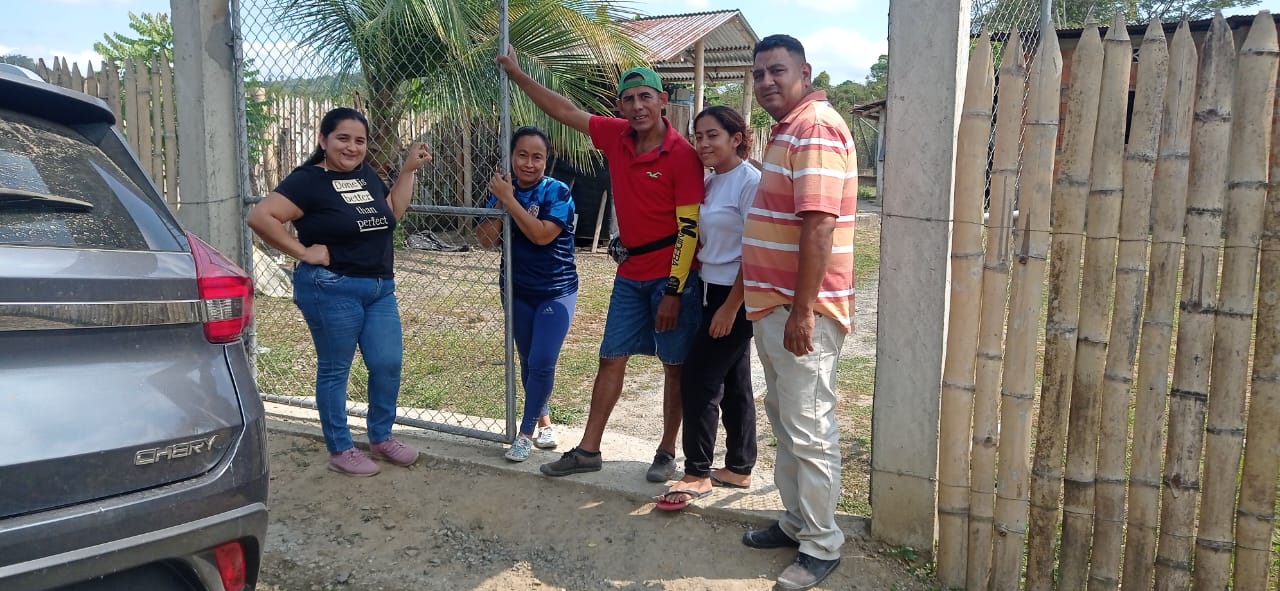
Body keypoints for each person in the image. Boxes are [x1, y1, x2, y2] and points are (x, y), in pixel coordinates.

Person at [496, 48, 705, 481]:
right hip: (629, 274)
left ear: (663, 101)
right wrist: (517, 74)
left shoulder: (682, 154)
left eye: (645, 97)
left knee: (674, 365)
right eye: (629, 99)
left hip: (671, 276)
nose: (637, 106)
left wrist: (673, 290)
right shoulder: (616, 136)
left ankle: (666, 451)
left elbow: (689, 229)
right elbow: (564, 110)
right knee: (610, 357)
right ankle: (588, 450)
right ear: (620, 106)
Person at [247, 107, 432, 477]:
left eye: (359, 141)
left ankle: (381, 437)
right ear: (323, 140)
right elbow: (260, 216)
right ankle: (340, 448)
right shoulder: (308, 181)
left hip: (379, 287)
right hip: (331, 287)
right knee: (336, 369)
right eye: (342, 138)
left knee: (387, 364)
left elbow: (392, 211)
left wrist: (408, 171)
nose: (352, 147)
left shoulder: (366, 174)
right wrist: (303, 252)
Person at [737, 35, 858, 591]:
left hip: (799, 308)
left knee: (808, 427)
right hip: (776, 305)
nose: (766, 81)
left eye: (777, 71)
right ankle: (797, 522)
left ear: (804, 72)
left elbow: (820, 225)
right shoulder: (790, 128)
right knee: (787, 419)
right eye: (759, 73)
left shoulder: (815, 128)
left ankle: (821, 544)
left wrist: (803, 311)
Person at [656, 106, 760, 511]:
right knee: (735, 380)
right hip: (709, 288)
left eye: (712, 135)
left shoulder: (749, 183)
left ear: (737, 138)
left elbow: (755, 251)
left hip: (735, 294)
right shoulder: (713, 181)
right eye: (697, 136)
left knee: (699, 378)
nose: (702, 144)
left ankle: (697, 472)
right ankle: (739, 466)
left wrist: (731, 307)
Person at [475, 126, 578, 462]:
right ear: (511, 157)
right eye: (522, 155)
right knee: (528, 359)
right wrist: (500, 199)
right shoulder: (503, 189)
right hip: (517, 289)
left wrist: (509, 200)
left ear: (547, 161)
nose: (529, 164)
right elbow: (485, 240)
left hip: (555, 290)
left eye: (537, 157)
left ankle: (525, 433)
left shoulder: (557, 191)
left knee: (542, 360)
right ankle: (545, 421)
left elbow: (541, 235)